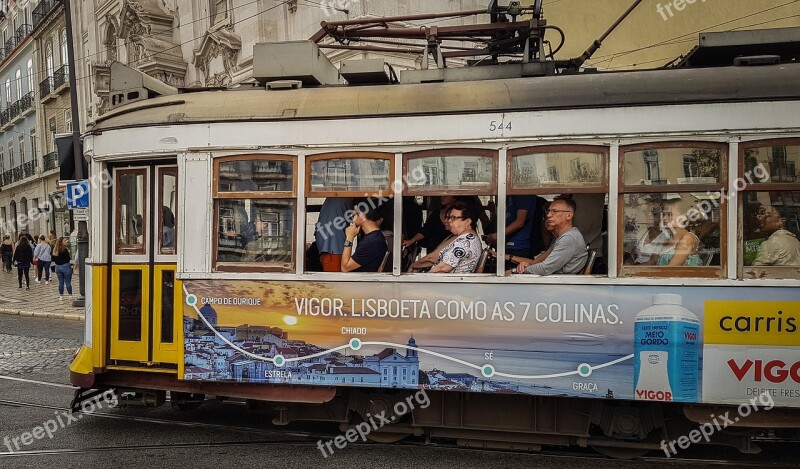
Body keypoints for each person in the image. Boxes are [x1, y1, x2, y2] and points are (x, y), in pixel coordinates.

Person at [513, 196, 588, 275]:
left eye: (554, 211)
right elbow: (537, 261)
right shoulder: (560, 237)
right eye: (548, 211)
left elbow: (545, 268)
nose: (548, 215)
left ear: (569, 215)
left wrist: (515, 271)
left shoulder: (569, 238)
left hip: (561, 285)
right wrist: (526, 265)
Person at [486, 195, 538, 268]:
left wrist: (497, 236)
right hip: (505, 245)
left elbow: (520, 222)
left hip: (518, 247)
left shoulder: (523, 196)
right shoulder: (508, 197)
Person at [430, 201, 483, 273]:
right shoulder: (468, 238)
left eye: (453, 218)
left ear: (467, 222)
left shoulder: (465, 241)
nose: (449, 221)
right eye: (449, 217)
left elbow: (442, 268)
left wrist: (421, 281)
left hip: (450, 283)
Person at [341, 202, 388, 273]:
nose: (353, 217)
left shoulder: (372, 241)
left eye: (355, 214)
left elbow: (345, 268)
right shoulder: (374, 237)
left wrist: (349, 238)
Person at [408, 208, 456, 272]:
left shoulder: (460, 238)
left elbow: (433, 258)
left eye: (451, 218)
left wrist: (414, 265)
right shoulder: (451, 236)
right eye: (447, 217)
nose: (446, 221)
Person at [656, 201, 702, 266]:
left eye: (669, 214)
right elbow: (651, 262)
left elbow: (670, 270)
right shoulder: (666, 236)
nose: (664, 218)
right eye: (663, 214)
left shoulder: (687, 239)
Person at [315, 197, 352, 272]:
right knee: (336, 282)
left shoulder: (332, 199)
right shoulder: (348, 198)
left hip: (327, 248)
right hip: (334, 251)